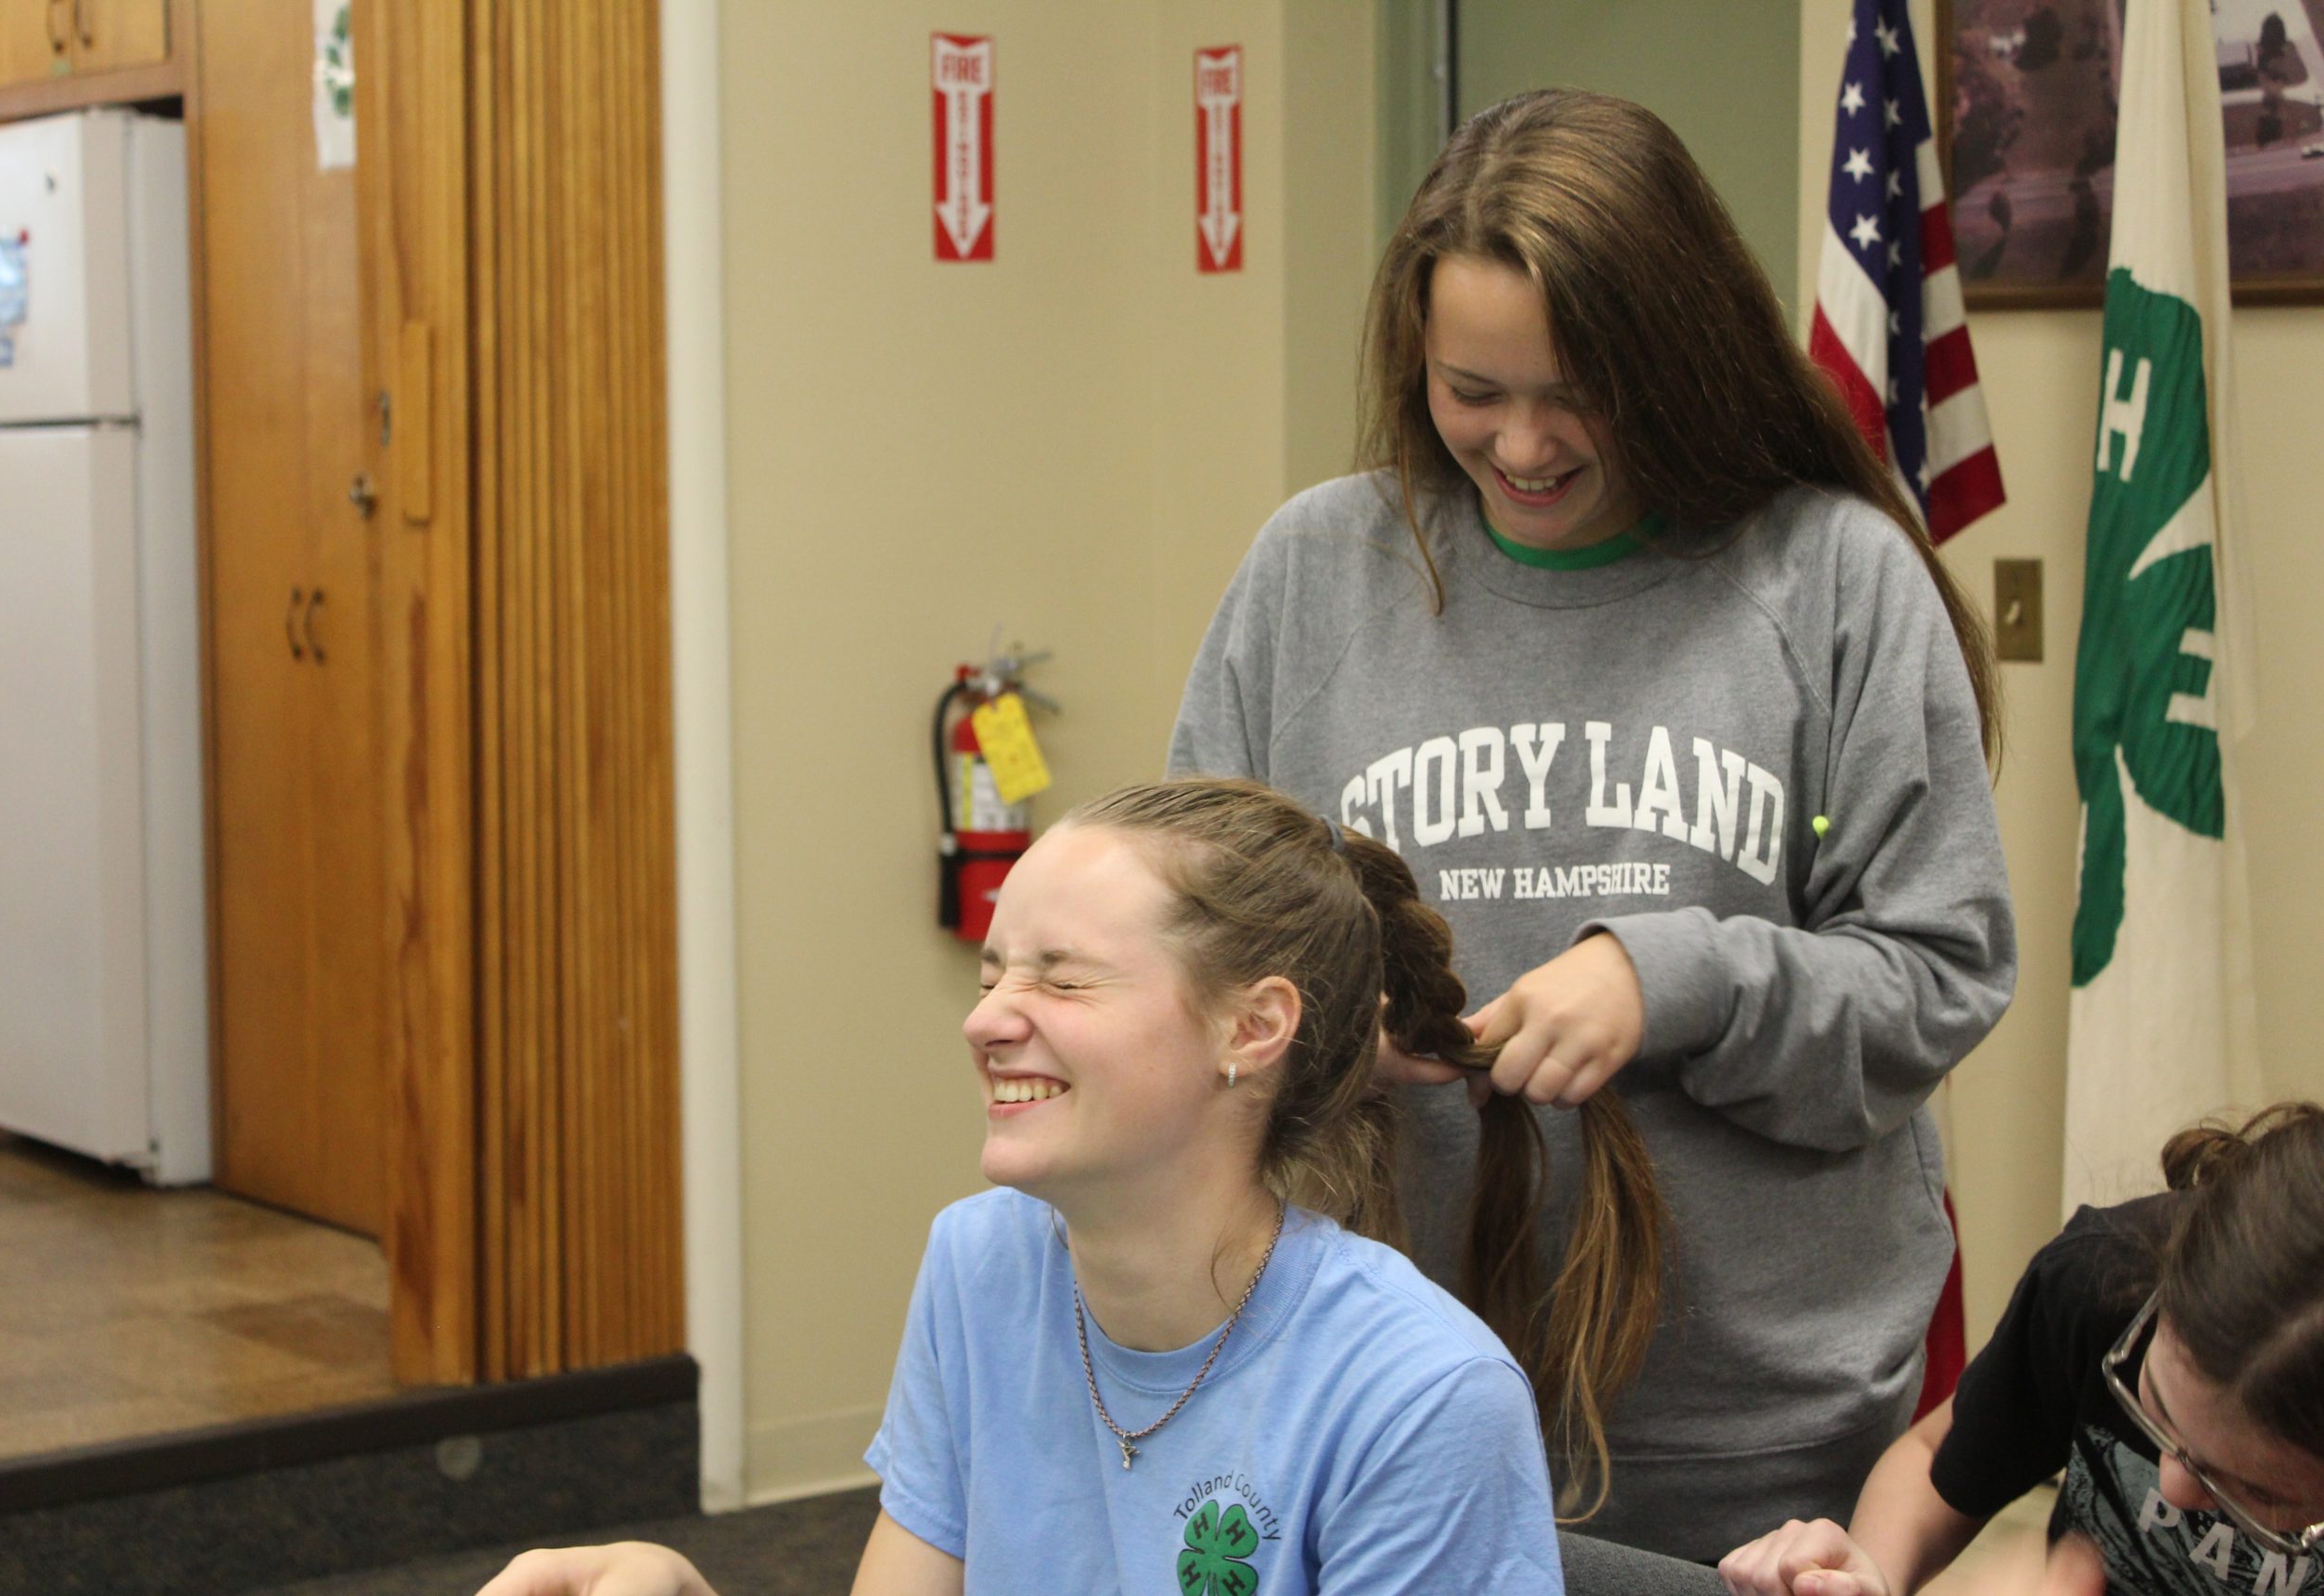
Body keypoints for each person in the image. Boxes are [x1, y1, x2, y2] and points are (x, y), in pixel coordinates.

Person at [1168, 88, 2017, 1559]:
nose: (1524, 442)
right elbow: (1189, 935)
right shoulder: (1314, 570)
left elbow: (1938, 972)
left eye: (1578, 388)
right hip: (1391, 1388)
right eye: (1471, 389)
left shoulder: (1833, 577)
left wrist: (1672, 979)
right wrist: (1307, 1028)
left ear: (1680, 354)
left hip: (1755, 1426)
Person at [480, 776, 1689, 1596]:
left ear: (1251, 1025)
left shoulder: (1420, 1394)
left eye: (1061, 980)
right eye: (997, 967)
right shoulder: (983, 1260)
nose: (987, 1017)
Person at [1720, 1102, 2324, 1596]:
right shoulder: (2105, 1279)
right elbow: (1937, 1458)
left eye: (2259, 1492)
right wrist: (1871, 1574)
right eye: (2158, 1409)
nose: (2173, 1484)